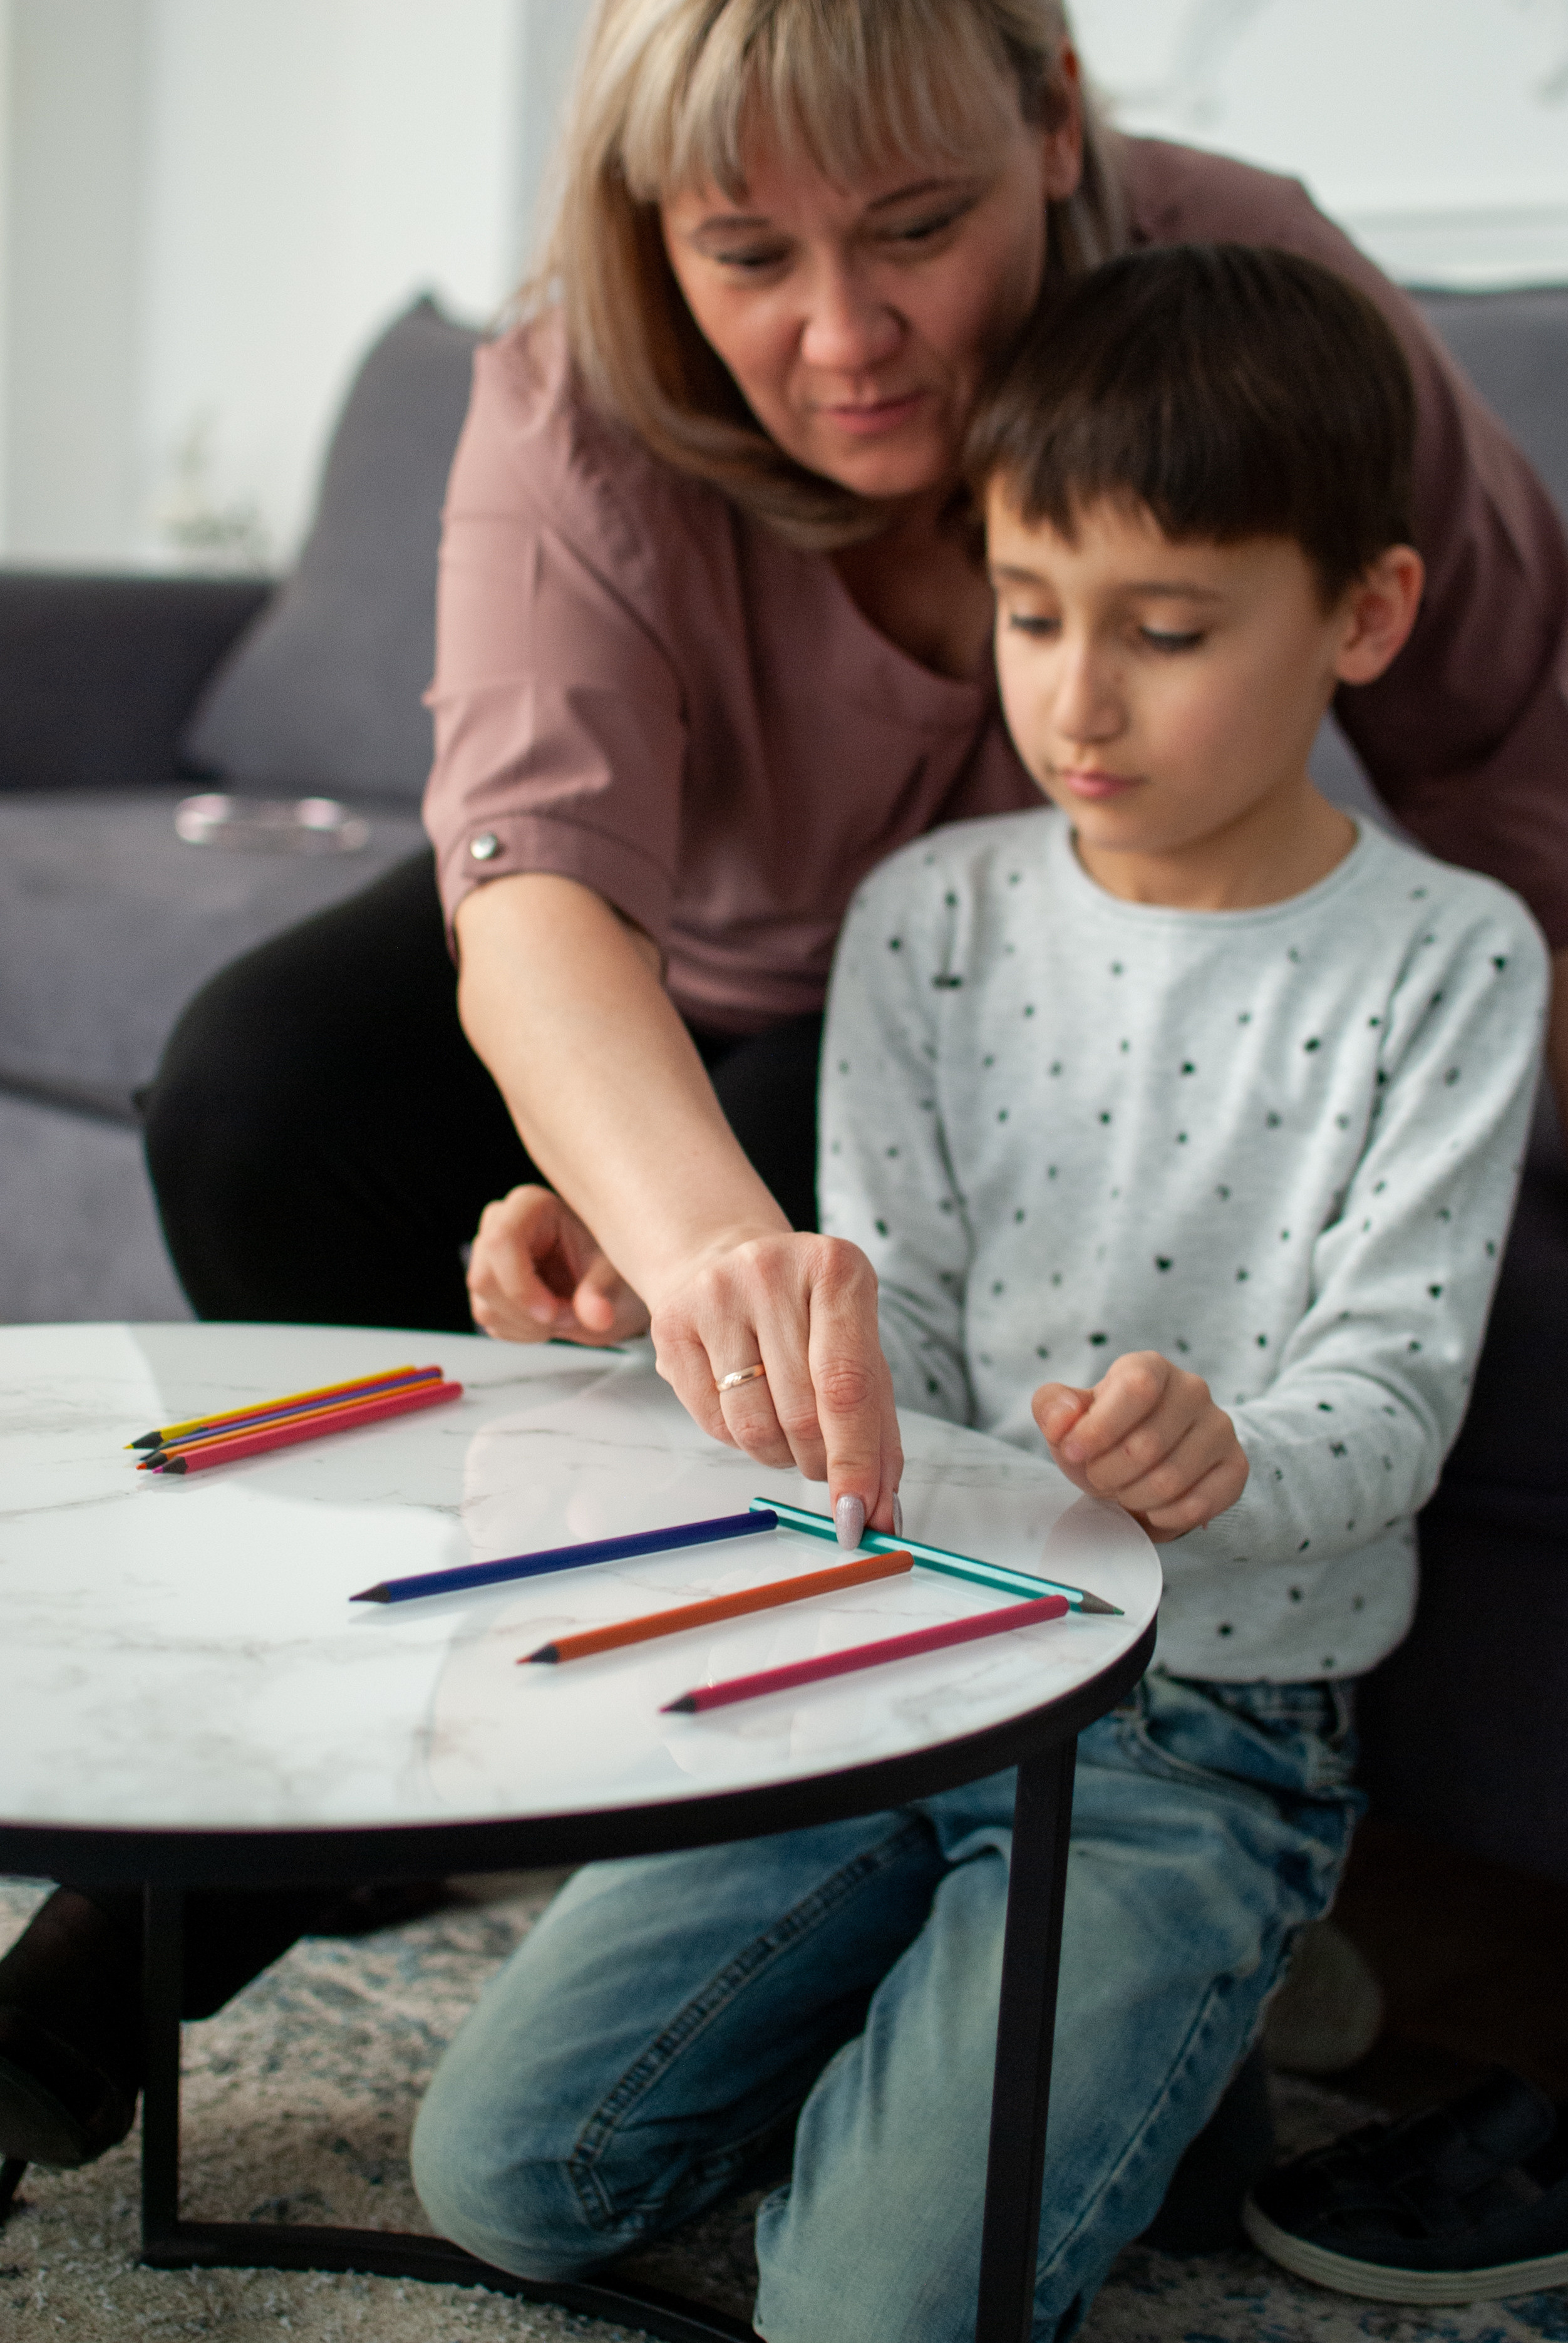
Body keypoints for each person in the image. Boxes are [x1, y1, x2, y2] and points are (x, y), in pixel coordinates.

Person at [5, 0, 1565, 2178]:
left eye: (918, 228)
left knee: (797, 1148)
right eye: (748, 254)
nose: (844, 336)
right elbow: (536, 892)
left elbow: (1513, 731)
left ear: (1055, 124)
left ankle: (136, 1975)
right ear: (657, 229)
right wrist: (692, 1249)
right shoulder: (574, 385)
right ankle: (411, 1784)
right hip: (692, 944)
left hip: (989, 986)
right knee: (265, 1090)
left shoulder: (1244, 287)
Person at [405, 242, 1549, 2340]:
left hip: (1205, 1738)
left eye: (1167, 632)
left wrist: (1228, 1455)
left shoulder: (1453, 961)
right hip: (891, 1656)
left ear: (1367, 615)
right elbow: (897, 1353)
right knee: (503, 2181)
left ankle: (1183, 1979)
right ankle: (1114, 2045)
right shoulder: (928, 919)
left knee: (865, 2318)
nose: (1077, 701)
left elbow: (1392, 1399)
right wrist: (668, 1320)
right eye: (1029, 613)